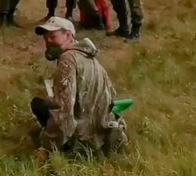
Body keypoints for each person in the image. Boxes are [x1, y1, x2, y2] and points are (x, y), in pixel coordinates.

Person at [30, 16, 128, 156]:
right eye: (46, 38)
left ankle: (68, 147)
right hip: (101, 128)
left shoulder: (67, 61)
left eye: (53, 36)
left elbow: (63, 113)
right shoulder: (90, 58)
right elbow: (111, 96)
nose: (48, 41)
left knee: (39, 104)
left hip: (84, 138)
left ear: (69, 35)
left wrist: (47, 146)